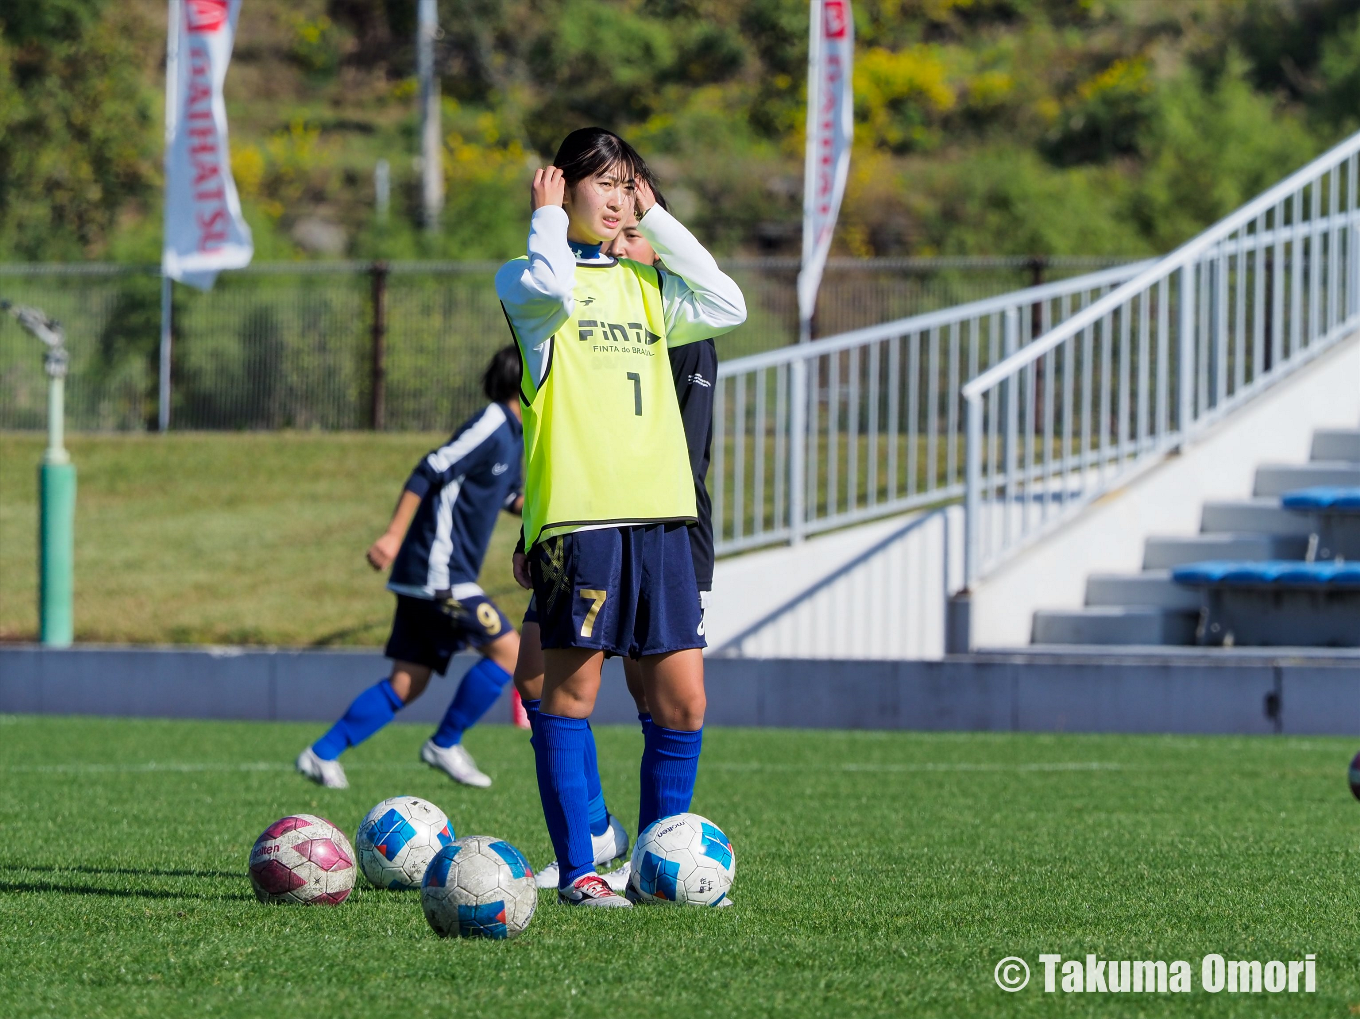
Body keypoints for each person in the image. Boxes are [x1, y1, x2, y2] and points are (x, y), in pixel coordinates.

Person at [496, 127, 744, 907]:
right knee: (568, 698)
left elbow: (725, 300)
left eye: (627, 183)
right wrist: (544, 221)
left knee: (683, 702)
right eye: (601, 182)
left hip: (664, 521)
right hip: (583, 523)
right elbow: (550, 283)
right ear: (562, 187)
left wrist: (656, 219)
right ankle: (579, 873)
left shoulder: (649, 289)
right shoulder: (530, 282)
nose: (616, 196)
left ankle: (657, 866)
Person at [295, 346, 525, 790]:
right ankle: (445, 742)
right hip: (438, 571)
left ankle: (322, 753)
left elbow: (507, 497)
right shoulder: (494, 422)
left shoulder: (517, 433)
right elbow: (430, 468)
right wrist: (393, 535)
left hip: (434, 574)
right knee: (510, 651)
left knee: (407, 682)